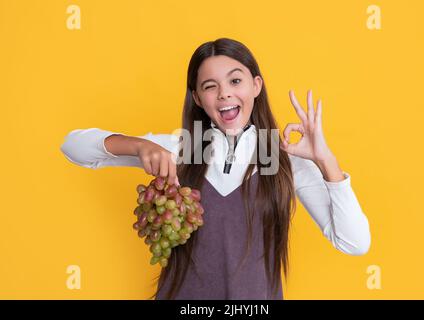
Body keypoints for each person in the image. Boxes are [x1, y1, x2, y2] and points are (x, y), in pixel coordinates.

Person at [60, 37, 371, 300]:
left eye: (235, 80)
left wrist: (325, 159)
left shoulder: (282, 156)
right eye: (210, 86)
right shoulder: (181, 148)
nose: (224, 93)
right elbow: (73, 146)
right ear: (198, 98)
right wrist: (139, 146)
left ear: (256, 85)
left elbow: (354, 242)